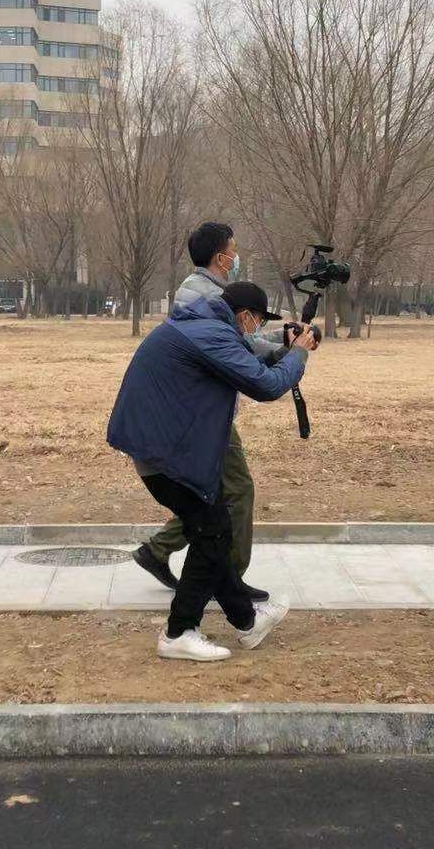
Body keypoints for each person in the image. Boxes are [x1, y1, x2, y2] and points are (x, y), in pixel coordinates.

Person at [107, 281, 317, 661]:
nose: (255, 328)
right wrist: (298, 355)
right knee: (212, 532)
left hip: (164, 445)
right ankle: (179, 632)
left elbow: (247, 357)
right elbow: (265, 385)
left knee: (212, 531)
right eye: (256, 321)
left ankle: (248, 622)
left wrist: (284, 345)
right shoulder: (212, 333)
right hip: (166, 452)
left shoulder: (204, 325)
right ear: (245, 316)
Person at [131, 221, 311, 603]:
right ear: (220, 256)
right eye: (233, 249)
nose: (236, 255)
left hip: (202, 410)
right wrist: (295, 353)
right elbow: (240, 350)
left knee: (212, 497)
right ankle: (228, 581)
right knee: (235, 492)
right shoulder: (202, 296)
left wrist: (283, 339)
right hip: (199, 414)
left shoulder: (215, 294)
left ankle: (162, 552)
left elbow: (242, 339)